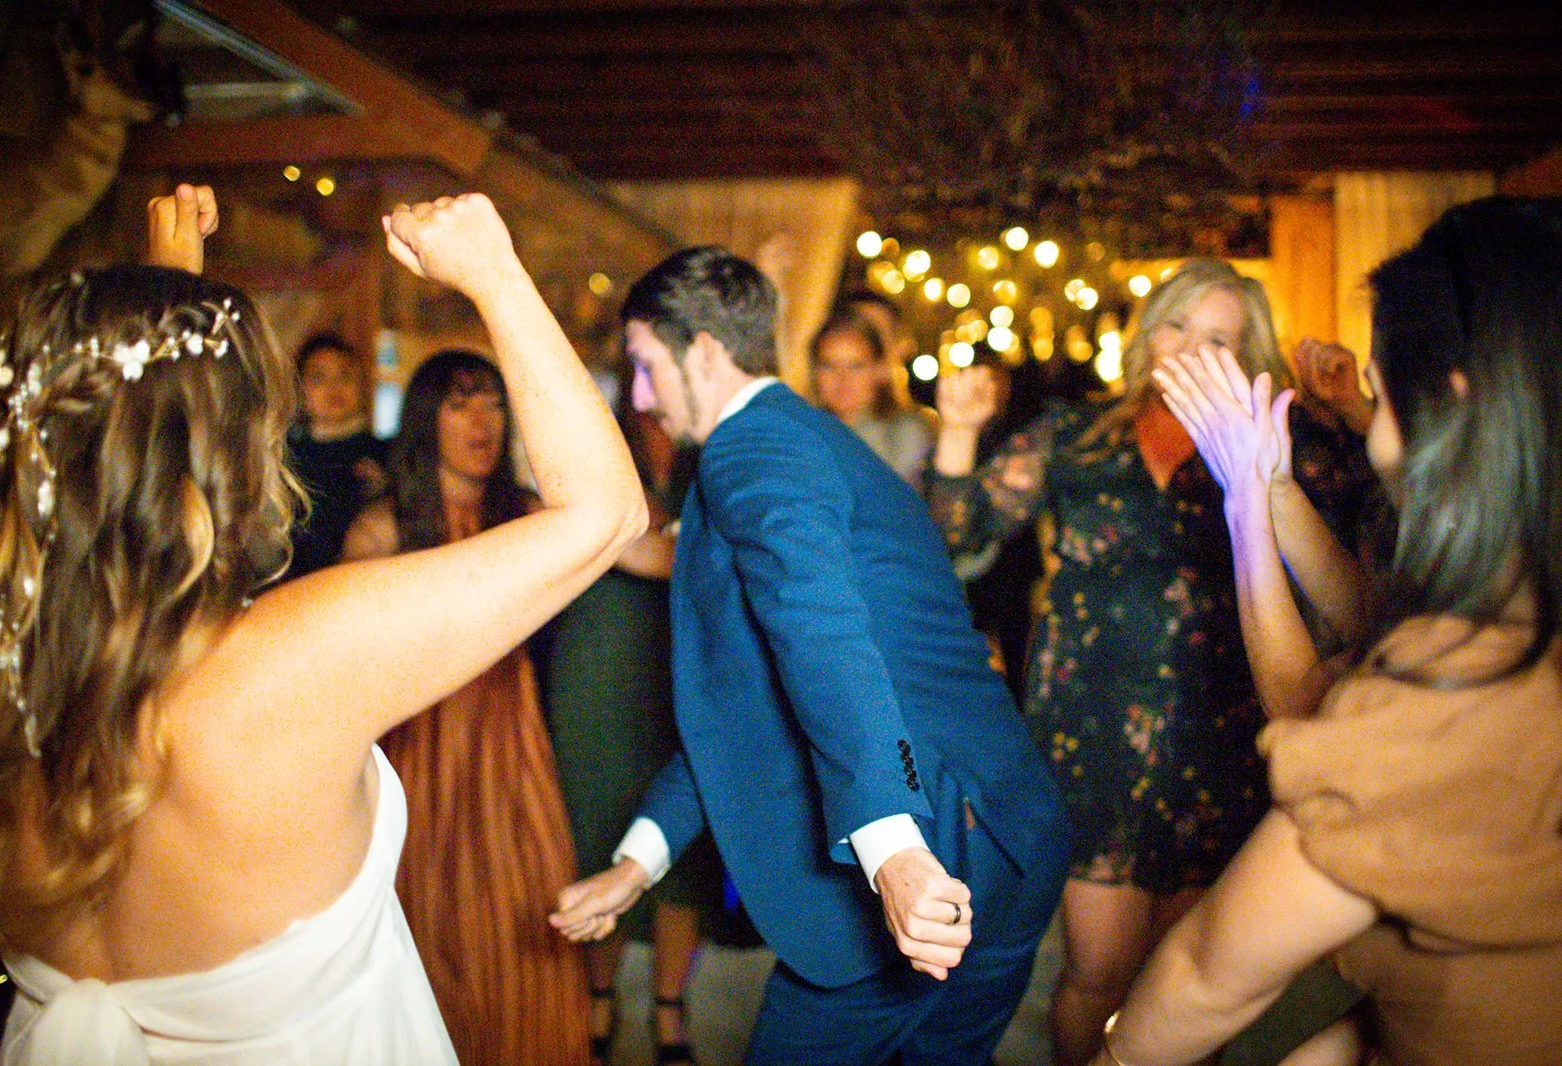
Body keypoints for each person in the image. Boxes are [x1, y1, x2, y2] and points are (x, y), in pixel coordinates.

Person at [0, 187, 645, 1064]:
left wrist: (168, 311)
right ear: (233, 450)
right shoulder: (295, 660)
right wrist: (494, 273)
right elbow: (605, 513)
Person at [550, 246, 1070, 1066]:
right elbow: (747, 703)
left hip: (935, 850)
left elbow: (820, 632)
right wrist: (638, 863)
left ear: (706, 352)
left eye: (647, 366)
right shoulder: (805, 436)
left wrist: (894, 851)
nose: (641, 397)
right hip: (1006, 828)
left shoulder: (751, 450)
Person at [1106, 196, 1562, 1065]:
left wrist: (1247, 504)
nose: (1366, 414)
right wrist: (1273, 489)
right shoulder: (1519, 577)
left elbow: (1327, 710)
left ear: (1448, 403)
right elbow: (1374, 625)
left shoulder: (1480, 673)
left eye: (1378, 393)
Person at [925, 258, 1374, 1066]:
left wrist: (1352, 411)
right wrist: (958, 432)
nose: (1193, 349)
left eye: (1220, 339)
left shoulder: (1284, 440)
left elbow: (1379, 546)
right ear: (1147, 333)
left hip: (1224, 723)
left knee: (1189, 977)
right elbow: (959, 533)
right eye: (1177, 326)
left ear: (1250, 355)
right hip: (1089, 728)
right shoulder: (1077, 431)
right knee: (1098, 971)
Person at [342, 347, 593, 1065]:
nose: (483, 420)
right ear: (428, 420)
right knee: (430, 931)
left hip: (515, 748)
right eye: (460, 404)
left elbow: (631, 542)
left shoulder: (527, 516)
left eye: (492, 402)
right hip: (418, 751)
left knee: (531, 928)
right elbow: (349, 662)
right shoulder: (382, 530)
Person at [542, 372, 722, 1066]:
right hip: (602, 661)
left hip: (689, 657)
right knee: (597, 828)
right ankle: (598, 996)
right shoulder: (593, 442)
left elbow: (676, 551)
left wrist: (664, 546)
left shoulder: (720, 446)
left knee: (688, 849)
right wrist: (678, 549)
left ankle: (670, 1008)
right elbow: (606, 540)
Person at [284, 333, 387, 581]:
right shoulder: (285, 457)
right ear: (299, 388)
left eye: (345, 376)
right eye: (319, 378)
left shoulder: (384, 453)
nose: (334, 388)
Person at [808, 308, 934, 485]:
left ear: (879, 369)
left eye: (856, 366)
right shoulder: (805, 432)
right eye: (828, 365)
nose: (842, 379)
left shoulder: (903, 433)